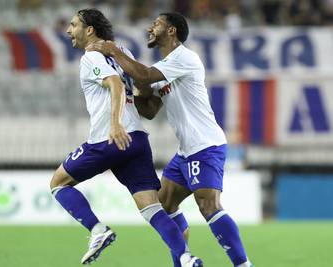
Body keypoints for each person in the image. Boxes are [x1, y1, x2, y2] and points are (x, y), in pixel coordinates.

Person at [87, 12, 254, 267]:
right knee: (164, 204)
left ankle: (243, 265)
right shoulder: (164, 68)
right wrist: (136, 93)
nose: (150, 28)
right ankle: (184, 261)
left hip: (205, 145)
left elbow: (144, 75)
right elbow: (150, 111)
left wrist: (112, 51)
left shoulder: (184, 58)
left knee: (208, 205)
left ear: (172, 30)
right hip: (187, 150)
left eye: (156, 24)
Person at [49, 9, 203, 267]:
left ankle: (98, 231)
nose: (68, 30)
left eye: (74, 25)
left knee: (58, 183)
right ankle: (186, 258)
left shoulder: (91, 57)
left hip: (109, 139)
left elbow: (116, 85)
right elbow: (142, 86)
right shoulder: (123, 52)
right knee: (152, 208)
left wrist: (115, 124)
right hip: (138, 141)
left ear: (89, 30)